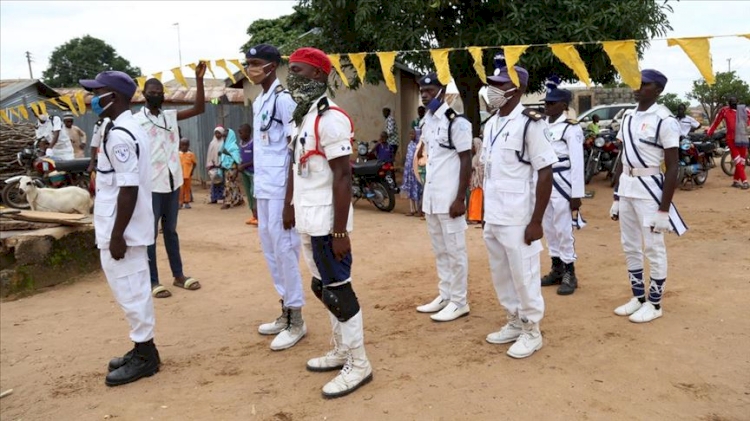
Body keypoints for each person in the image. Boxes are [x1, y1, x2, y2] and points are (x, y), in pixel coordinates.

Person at [284, 47, 372, 398]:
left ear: (319, 75)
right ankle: (339, 349)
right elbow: (299, 166)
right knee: (323, 288)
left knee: (339, 291)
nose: (292, 78)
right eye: (290, 71)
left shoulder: (330, 118)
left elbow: (342, 177)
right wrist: (290, 206)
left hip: (327, 223)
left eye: (299, 72)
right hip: (309, 216)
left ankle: (359, 362)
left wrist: (339, 231)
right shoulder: (304, 117)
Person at [79, 70, 159, 386]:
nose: (91, 98)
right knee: (130, 288)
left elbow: (128, 188)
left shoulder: (121, 134)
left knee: (132, 290)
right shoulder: (123, 127)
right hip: (121, 226)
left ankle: (146, 356)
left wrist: (116, 236)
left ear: (114, 96)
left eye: (97, 91)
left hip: (122, 231)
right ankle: (142, 347)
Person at [481, 59, 557, 358]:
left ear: (516, 88)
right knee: (501, 273)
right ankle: (513, 320)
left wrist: (536, 221)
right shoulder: (492, 124)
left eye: (498, 85)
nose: (492, 89)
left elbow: (546, 172)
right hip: (494, 214)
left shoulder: (530, 123)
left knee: (524, 275)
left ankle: (531, 330)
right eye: (492, 84)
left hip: (519, 216)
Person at [610, 69, 688, 323]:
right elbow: (624, 158)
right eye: (637, 81)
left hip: (650, 189)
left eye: (645, 84)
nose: (638, 86)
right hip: (627, 186)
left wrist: (664, 210)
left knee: (653, 247)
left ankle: (655, 304)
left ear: (658, 90)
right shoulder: (627, 117)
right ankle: (638, 297)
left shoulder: (664, 120)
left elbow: (673, 166)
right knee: (629, 245)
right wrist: (616, 196)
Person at [247, 44, 307, 351]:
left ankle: (297, 318)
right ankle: (285, 309)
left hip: (282, 190)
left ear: (271, 66)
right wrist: (259, 196)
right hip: (265, 189)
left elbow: (294, 151)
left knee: (285, 249)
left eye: (255, 63)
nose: (249, 68)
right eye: (248, 63)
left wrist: (289, 202)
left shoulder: (284, 101)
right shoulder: (259, 101)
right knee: (270, 250)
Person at [135, 62, 206, 299]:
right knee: (150, 233)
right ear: (144, 95)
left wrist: (198, 80)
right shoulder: (136, 122)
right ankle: (152, 280)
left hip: (172, 181)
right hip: (150, 184)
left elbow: (198, 108)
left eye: (159, 93)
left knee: (171, 231)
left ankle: (178, 276)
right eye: (152, 93)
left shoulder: (170, 116)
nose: (156, 96)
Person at [415, 72, 472, 323]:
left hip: (450, 198)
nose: (425, 95)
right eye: (422, 91)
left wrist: (461, 198)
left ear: (443, 90)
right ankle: (446, 294)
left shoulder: (456, 122)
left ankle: (459, 301)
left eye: (430, 90)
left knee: (455, 251)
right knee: (440, 250)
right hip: (432, 197)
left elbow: (466, 160)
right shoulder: (427, 121)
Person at [539, 82, 586, 296]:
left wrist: (577, 194)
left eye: (551, 103)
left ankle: (570, 271)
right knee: (548, 226)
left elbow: (577, 162)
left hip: (562, 181)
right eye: (546, 103)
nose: (547, 107)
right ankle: (556, 267)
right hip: (543, 180)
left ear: (563, 105)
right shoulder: (541, 125)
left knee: (563, 227)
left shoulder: (570, 127)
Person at [706, 96, 750, 189]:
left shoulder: (744, 110)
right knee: (737, 160)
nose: (733, 104)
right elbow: (716, 122)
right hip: (731, 139)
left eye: (734, 102)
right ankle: (745, 181)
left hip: (742, 137)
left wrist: (746, 124)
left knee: (742, 161)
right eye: (731, 102)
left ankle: (735, 181)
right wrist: (709, 132)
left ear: (737, 102)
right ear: (728, 103)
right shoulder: (724, 111)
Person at [237, 123, 258, 225]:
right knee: (249, 195)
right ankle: (253, 215)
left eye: (241, 132)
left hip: (253, 172)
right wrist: (241, 164)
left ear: (248, 132)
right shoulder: (241, 143)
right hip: (245, 172)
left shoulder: (253, 143)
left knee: (254, 193)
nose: (240, 134)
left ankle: (258, 216)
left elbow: (256, 159)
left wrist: (244, 165)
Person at [219, 128, 244, 209]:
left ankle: (227, 202)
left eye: (225, 136)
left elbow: (237, 159)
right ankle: (239, 199)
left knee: (228, 185)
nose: (224, 138)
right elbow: (223, 156)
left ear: (230, 136)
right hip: (227, 168)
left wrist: (236, 171)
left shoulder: (234, 146)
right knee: (233, 185)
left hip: (232, 169)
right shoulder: (224, 145)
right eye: (223, 136)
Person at [401, 129, 422, 216]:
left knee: (418, 189)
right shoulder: (410, 144)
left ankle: (419, 210)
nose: (411, 136)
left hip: (416, 171)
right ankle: (412, 209)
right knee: (410, 190)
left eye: (413, 134)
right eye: (410, 134)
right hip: (409, 172)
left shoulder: (419, 145)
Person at [467, 136, 484, 225]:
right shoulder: (476, 156)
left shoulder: (481, 156)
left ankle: (476, 217)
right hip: (474, 181)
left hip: (478, 182)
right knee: (473, 200)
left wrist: (474, 168)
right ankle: (472, 216)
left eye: (473, 146)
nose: (472, 148)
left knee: (477, 200)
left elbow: (482, 168)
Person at [206, 127, 226, 203]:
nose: (217, 135)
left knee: (222, 182)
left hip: (222, 165)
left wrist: (222, 163)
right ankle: (214, 198)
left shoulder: (224, 143)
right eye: (216, 133)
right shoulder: (212, 143)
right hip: (214, 165)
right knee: (214, 182)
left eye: (219, 133)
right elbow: (209, 155)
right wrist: (211, 164)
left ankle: (222, 197)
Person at [179, 138, 197, 209]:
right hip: (180, 175)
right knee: (180, 189)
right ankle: (180, 202)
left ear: (188, 145)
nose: (184, 147)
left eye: (186, 145)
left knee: (187, 189)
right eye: (183, 145)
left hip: (188, 175)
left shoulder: (191, 154)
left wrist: (192, 172)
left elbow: (194, 163)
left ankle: (187, 202)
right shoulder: (178, 154)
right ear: (180, 145)